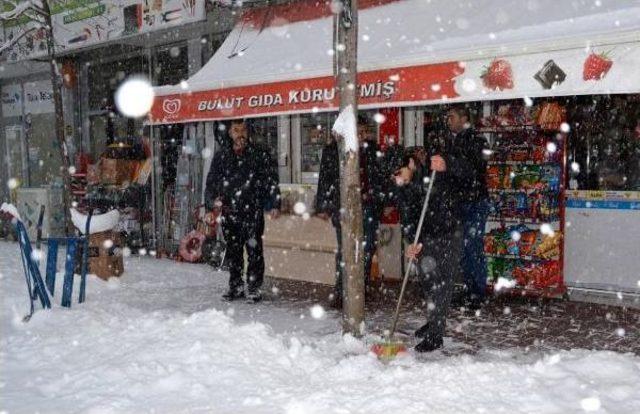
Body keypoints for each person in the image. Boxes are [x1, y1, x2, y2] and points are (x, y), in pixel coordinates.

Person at [393, 109, 483, 352]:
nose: (400, 179)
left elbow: (472, 174)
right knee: (428, 279)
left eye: (402, 174)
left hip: (447, 229)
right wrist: (412, 241)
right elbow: (410, 214)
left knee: (440, 283)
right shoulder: (407, 184)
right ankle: (434, 321)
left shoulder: (445, 164)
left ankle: (436, 334)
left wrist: (448, 164)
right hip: (429, 232)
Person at [205, 119, 280, 303]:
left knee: (254, 251)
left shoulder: (259, 154)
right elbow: (211, 183)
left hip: (252, 210)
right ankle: (236, 285)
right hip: (230, 211)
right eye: (236, 130)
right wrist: (209, 206)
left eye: (243, 129)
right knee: (234, 251)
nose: (241, 133)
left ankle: (254, 288)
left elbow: (270, 180)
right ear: (230, 133)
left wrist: (274, 203)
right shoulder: (222, 156)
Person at [315, 114, 384, 307]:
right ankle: (341, 291)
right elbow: (325, 179)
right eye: (358, 132)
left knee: (367, 248)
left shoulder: (372, 150)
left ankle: (361, 289)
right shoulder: (333, 150)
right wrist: (323, 205)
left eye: (364, 132)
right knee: (345, 249)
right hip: (342, 207)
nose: (361, 136)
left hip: (368, 206)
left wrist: (382, 201)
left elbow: (379, 178)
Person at [445, 107, 490, 309]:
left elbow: (472, 170)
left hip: (475, 201)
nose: (448, 120)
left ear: (464, 119)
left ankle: (477, 292)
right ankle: (469, 289)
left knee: (473, 246)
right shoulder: (450, 141)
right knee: (462, 249)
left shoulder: (477, 141)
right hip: (459, 202)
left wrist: (450, 163)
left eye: (452, 117)